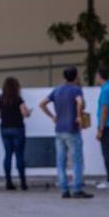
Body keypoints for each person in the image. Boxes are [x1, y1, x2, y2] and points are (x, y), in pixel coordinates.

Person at [40, 67, 92, 199]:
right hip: (72, 129)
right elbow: (80, 102)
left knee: (61, 160)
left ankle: (64, 189)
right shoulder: (76, 89)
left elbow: (42, 103)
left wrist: (52, 116)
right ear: (75, 77)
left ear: (64, 77)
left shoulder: (57, 90)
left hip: (59, 129)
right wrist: (79, 116)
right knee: (77, 160)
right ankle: (77, 188)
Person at [0, 76, 30, 191]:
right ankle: (23, 182)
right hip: (18, 129)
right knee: (19, 155)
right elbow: (24, 113)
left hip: (5, 129)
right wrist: (28, 112)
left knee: (8, 155)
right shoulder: (18, 99)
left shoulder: (0, 99)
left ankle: (8, 182)